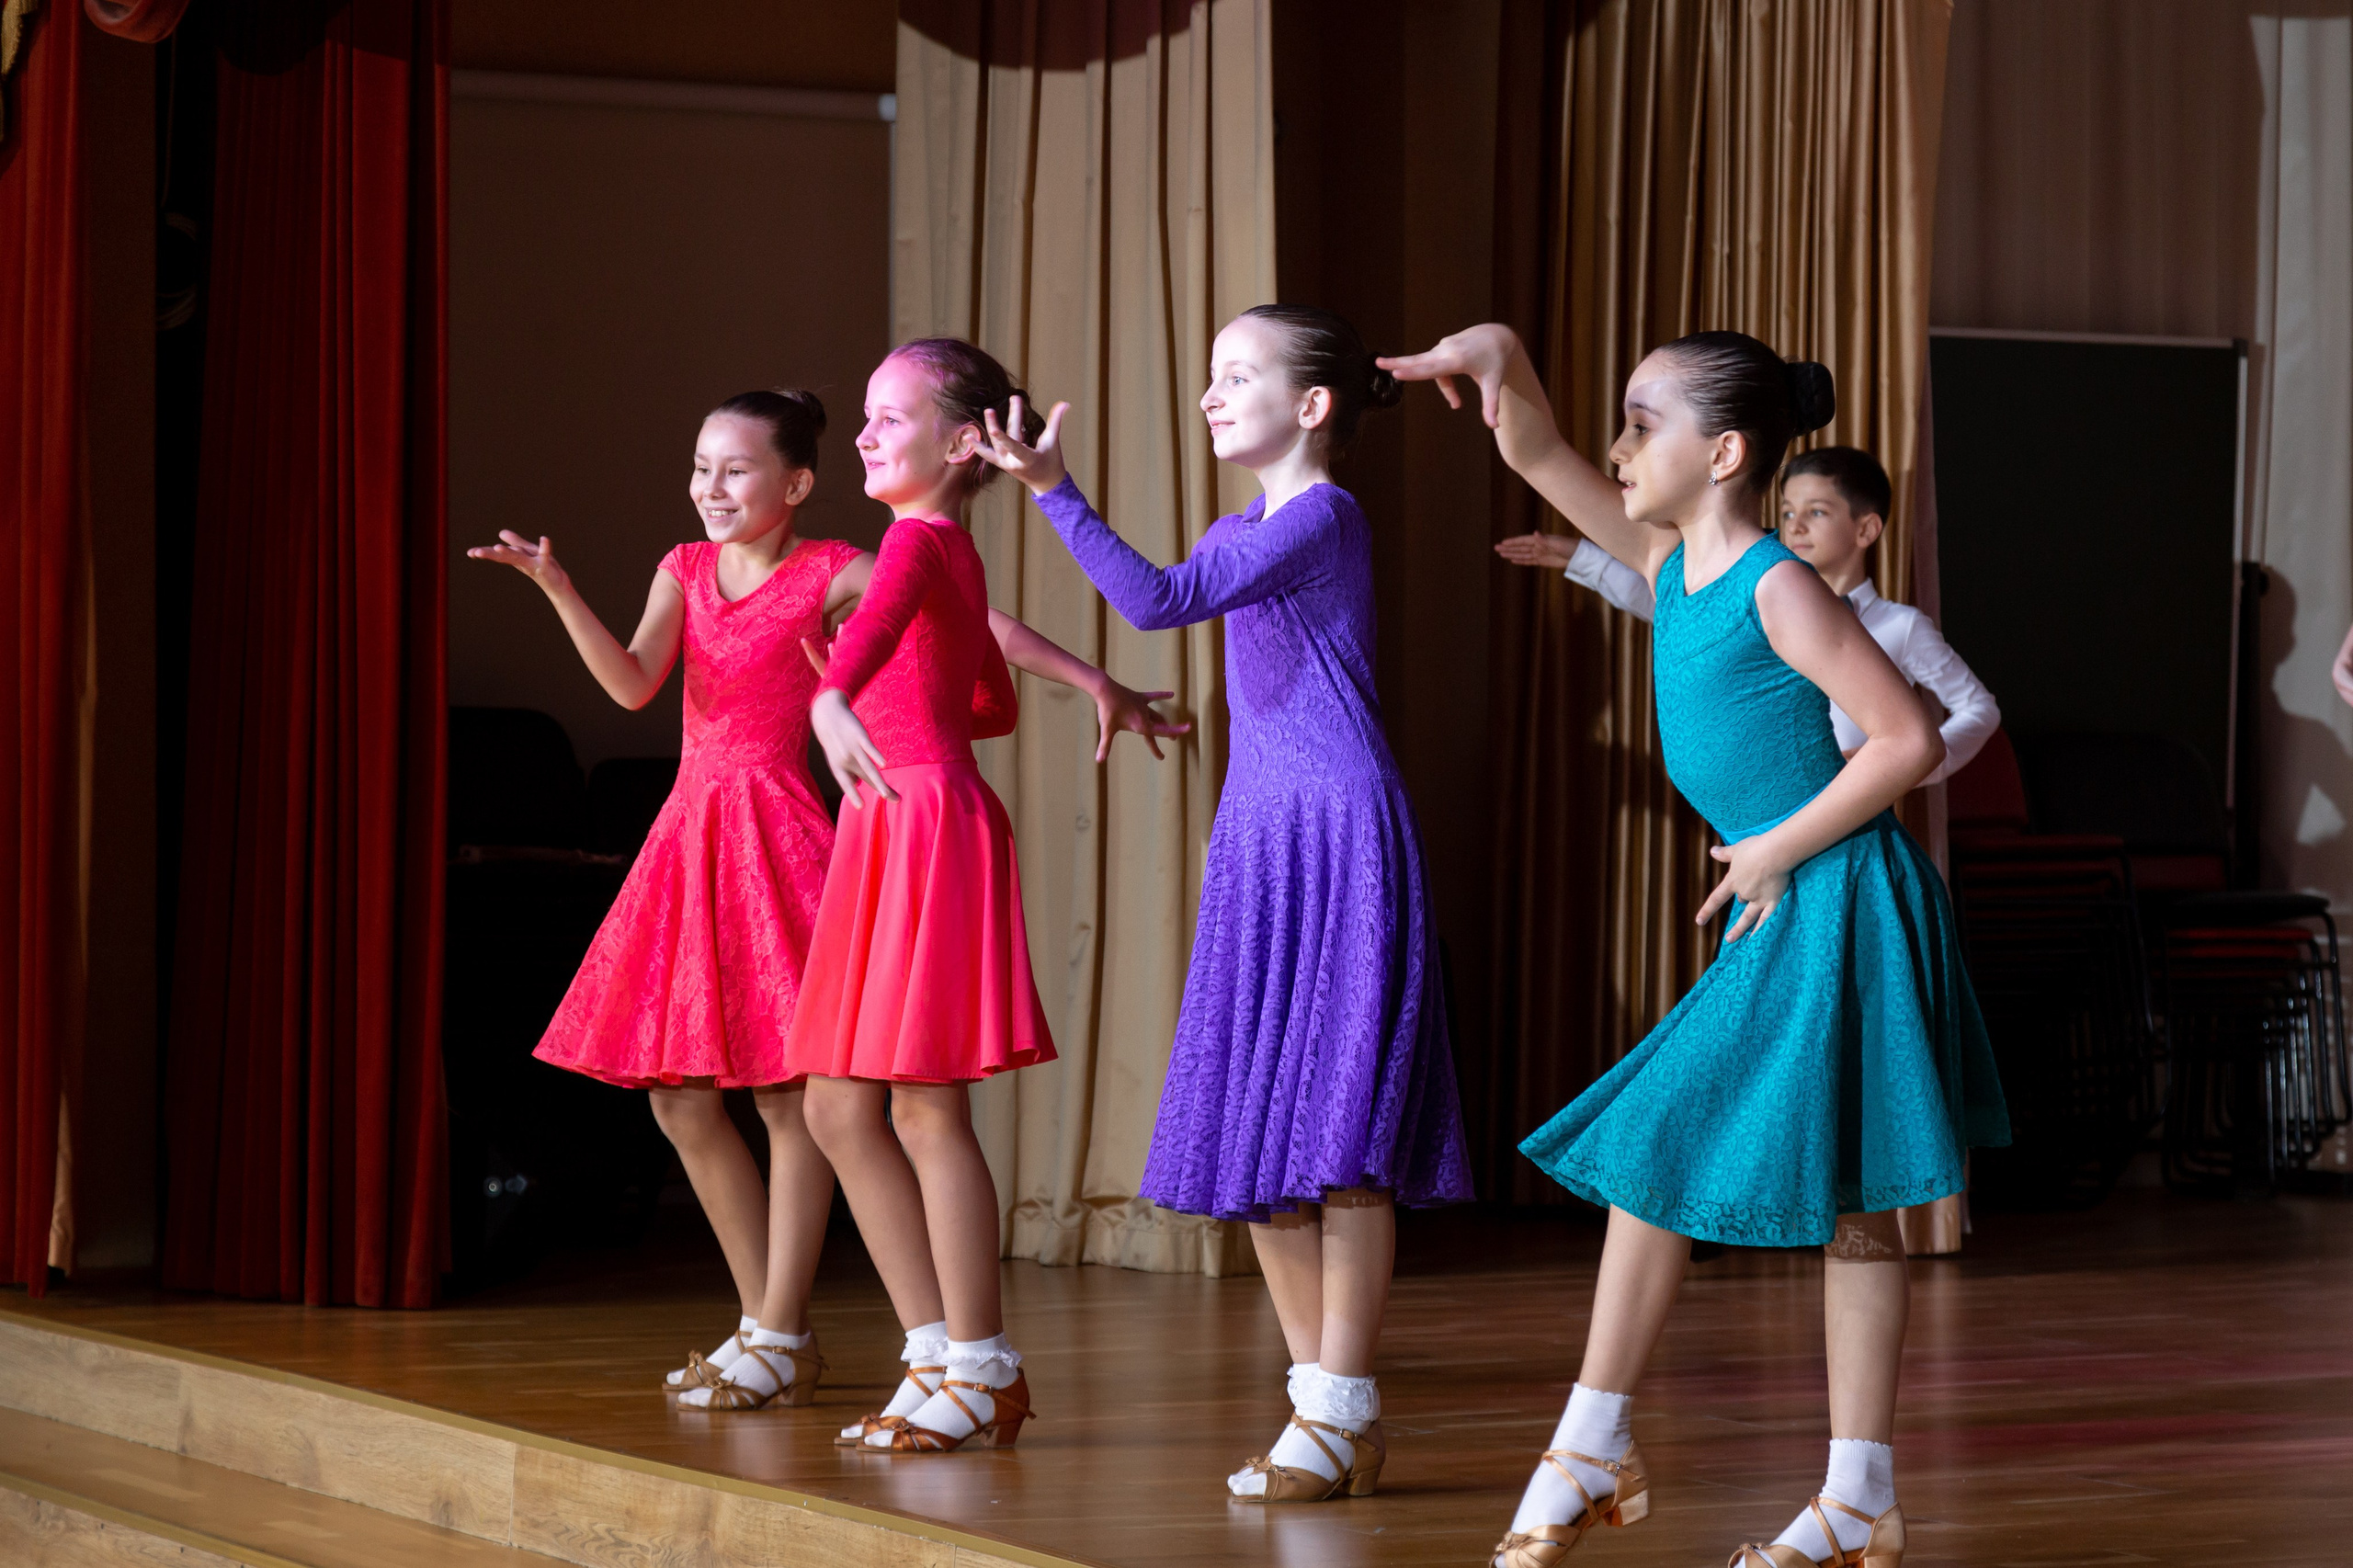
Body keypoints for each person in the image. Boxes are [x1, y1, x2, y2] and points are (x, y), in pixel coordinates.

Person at [1380, 324, 2007, 1567]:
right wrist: (1499, 356)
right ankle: (1853, 1494)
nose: (1618, 446)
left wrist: (1776, 846)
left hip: (1840, 896)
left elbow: (1902, 740)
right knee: (1847, 1204)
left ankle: (1600, 1440)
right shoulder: (1671, 564)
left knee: (1693, 1151)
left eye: (1641, 422)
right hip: (1797, 902)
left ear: (1721, 451)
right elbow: (1542, 448)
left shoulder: (1781, 582)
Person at [470, 388, 1176, 1414]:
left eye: (736, 469)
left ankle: (777, 1329)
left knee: (790, 1095)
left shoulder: (835, 567)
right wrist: (557, 586)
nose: (711, 487)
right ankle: (767, 1318)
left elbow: (974, 623)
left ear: (794, 484)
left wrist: (1090, 677)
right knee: (678, 1095)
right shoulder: (683, 566)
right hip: (692, 832)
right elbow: (631, 684)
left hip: (787, 832)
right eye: (701, 467)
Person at [975, 304, 1476, 1503]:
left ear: (1312, 406)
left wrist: (1056, 489)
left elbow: (1155, 599)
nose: (1211, 393)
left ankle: (1338, 1404)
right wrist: (1134, 706)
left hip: (1338, 831)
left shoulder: (1323, 513)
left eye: (1236, 374)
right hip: (1259, 838)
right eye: (1208, 375)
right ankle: (1326, 1412)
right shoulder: (1243, 523)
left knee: (1342, 1135)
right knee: (1262, 1134)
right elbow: (1196, 608)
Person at [782, 339, 1180, 1453]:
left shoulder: (916, 541)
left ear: (962, 442)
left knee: (919, 1105)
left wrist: (831, 702)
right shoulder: (940, 547)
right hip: (897, 816)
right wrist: (1095, 678)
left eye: (887, 416)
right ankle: (932, 1351)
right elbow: (986, 674)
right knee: (834, 1105)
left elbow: (863, 654)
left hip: (916, 822)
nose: (863, 433)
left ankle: (984, 1363)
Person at [1499, 446, 1998, 781]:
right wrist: (1580, 557)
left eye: (1817, 512)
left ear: (1866, 530)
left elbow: (1979, 709)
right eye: (1785, 512)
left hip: (1850, 820)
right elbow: (1672, 603)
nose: (1795, 526)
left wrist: (1897, 768)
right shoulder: (1761, 596)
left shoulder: (1899, 626)